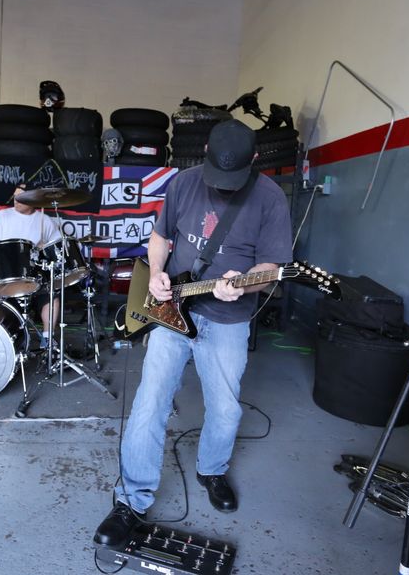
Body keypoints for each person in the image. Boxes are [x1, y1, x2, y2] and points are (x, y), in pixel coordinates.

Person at [94, 120, 294, 546]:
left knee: (225, 410)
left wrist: (244, 284)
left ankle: (212, 470)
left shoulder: (270, 198)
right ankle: (131, 500)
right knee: (150, 402)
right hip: (172, 311)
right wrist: (156, 274)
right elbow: (159, 237)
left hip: (227, 319)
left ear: (254, 159)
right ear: (204, 151)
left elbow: (272, 268)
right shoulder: (184, 183)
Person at [0, 183, 62, 346]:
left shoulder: (44, 220)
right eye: (15, 197)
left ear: (33, 199)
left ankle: (47, 340)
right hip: (5, 275)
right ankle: (2, 340)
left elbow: (57, 249)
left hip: (34, 275)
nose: (16, 200)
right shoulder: (3, 216)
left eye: (21, 198)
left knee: (52, 296)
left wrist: (44, 248)